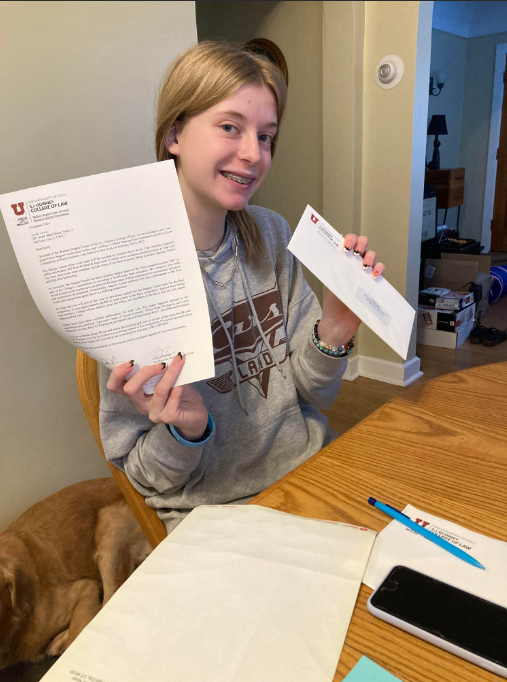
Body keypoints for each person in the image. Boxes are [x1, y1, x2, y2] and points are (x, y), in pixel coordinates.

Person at [98, 42, 385, 534]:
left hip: (309, 473)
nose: (254, 154)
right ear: (174, 134)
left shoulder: (270, 233)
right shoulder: (131, 276)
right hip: (212, 516)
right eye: (230, 127)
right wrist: (188, 431)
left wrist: (335, 329)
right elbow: (145, 478)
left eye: (266, 136)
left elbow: (313, 393)